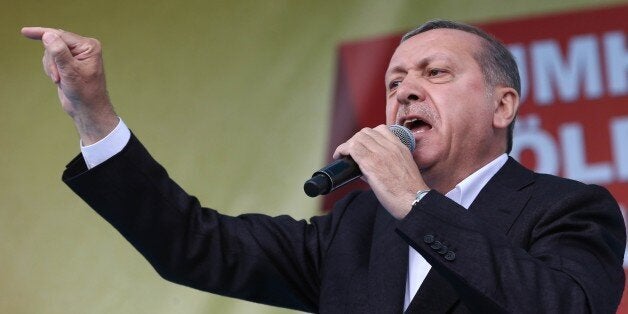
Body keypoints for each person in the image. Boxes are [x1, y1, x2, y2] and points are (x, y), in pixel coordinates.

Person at [22, 20, 625, 313]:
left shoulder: (570, 209)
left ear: (502, 105)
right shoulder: (359, 226)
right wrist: (94, 116)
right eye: (394, 81)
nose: (405, 93)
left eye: (435, 73)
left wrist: (417, 205)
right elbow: (194, 245)